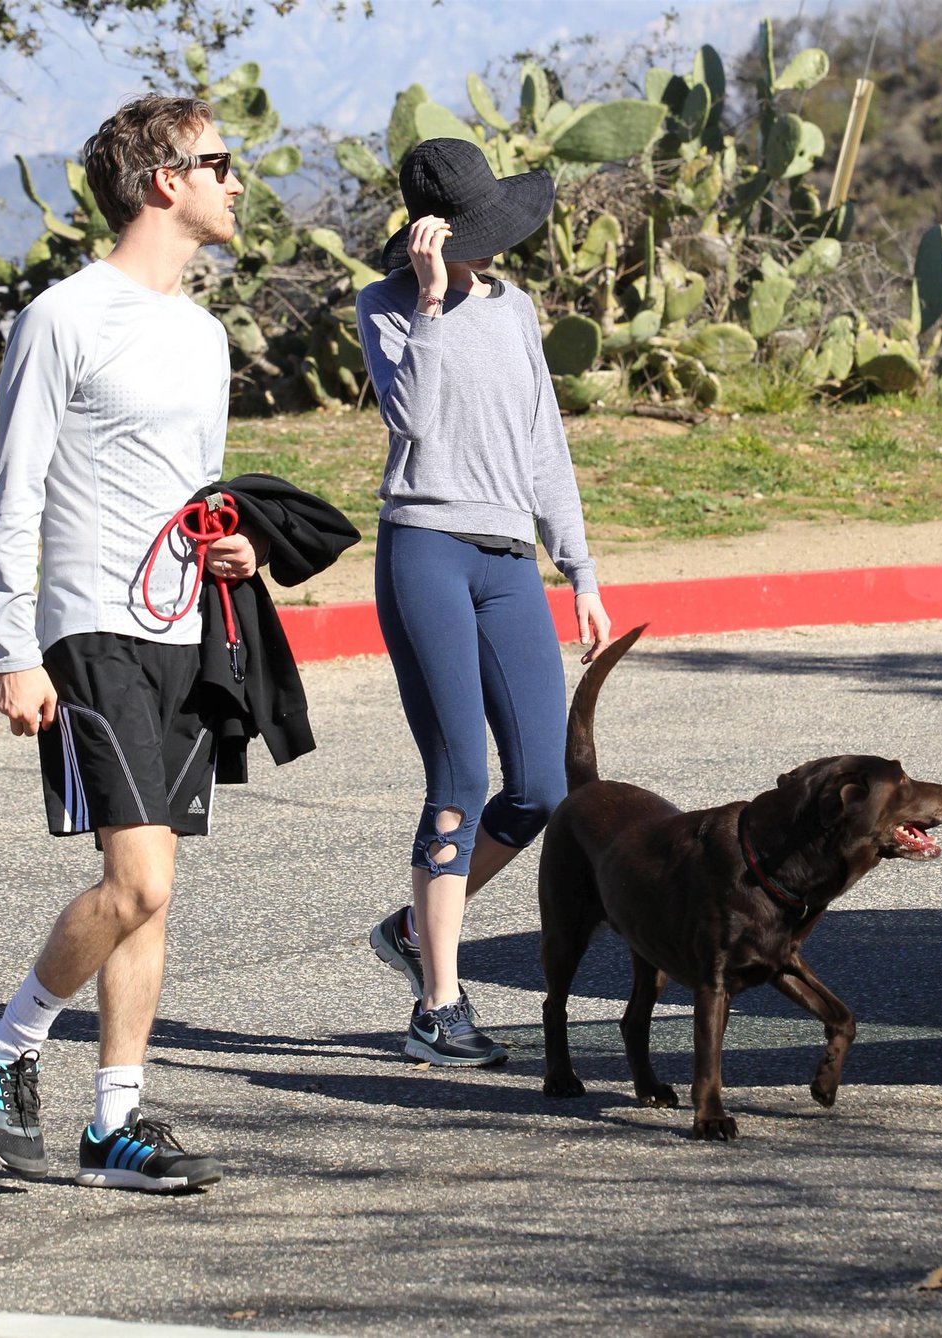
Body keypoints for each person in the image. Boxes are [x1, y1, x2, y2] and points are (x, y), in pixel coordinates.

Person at [0, 95, 254, 1192]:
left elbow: (197, 492)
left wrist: (233, 551)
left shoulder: (205, 333)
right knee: (133, 881)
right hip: (88, 629)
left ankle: (112, 1125)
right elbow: (15, 491)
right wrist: (10, 647)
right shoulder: (64, 317)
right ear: (163, 180)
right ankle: (5, 1044)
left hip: (186, 632)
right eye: (219, 162)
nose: (236, 180)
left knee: (157, 888)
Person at [356, 137, 613, 1068]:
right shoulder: (382, 307)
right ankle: (438, 1006)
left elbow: (545, 444)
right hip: (424, 548)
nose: (489, 248)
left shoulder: (516, 310)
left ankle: (422, 927)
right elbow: (410, 423)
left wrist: (578, 570)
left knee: (541, 784)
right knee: (460, 778)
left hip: (509, 559)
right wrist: (425, 304)